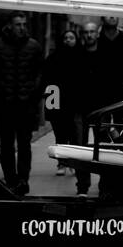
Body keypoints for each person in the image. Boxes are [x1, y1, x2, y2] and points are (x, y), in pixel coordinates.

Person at [0, 12, 44, 195]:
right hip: (5, 104)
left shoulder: (33, 46)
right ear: (10, 25)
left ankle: (23, 180)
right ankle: (10, 179)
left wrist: (33, 94)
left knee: (25, 144)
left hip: (26, 105)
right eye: (18, 24)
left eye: (23, 24)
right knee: (7, 145)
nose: (21, 28)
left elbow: (40, 74)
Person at [42, 28, 88, 179]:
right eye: (66, 38)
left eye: (71, 38)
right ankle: (61, 162)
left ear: (76, 40)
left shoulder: (82, 57)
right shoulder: (53, 58)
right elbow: (47, 81)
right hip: (57, 101)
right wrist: (49, 104)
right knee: (60, 133)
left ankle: (73, 162)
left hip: (76, 102)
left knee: (76, 134)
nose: (68, 40)